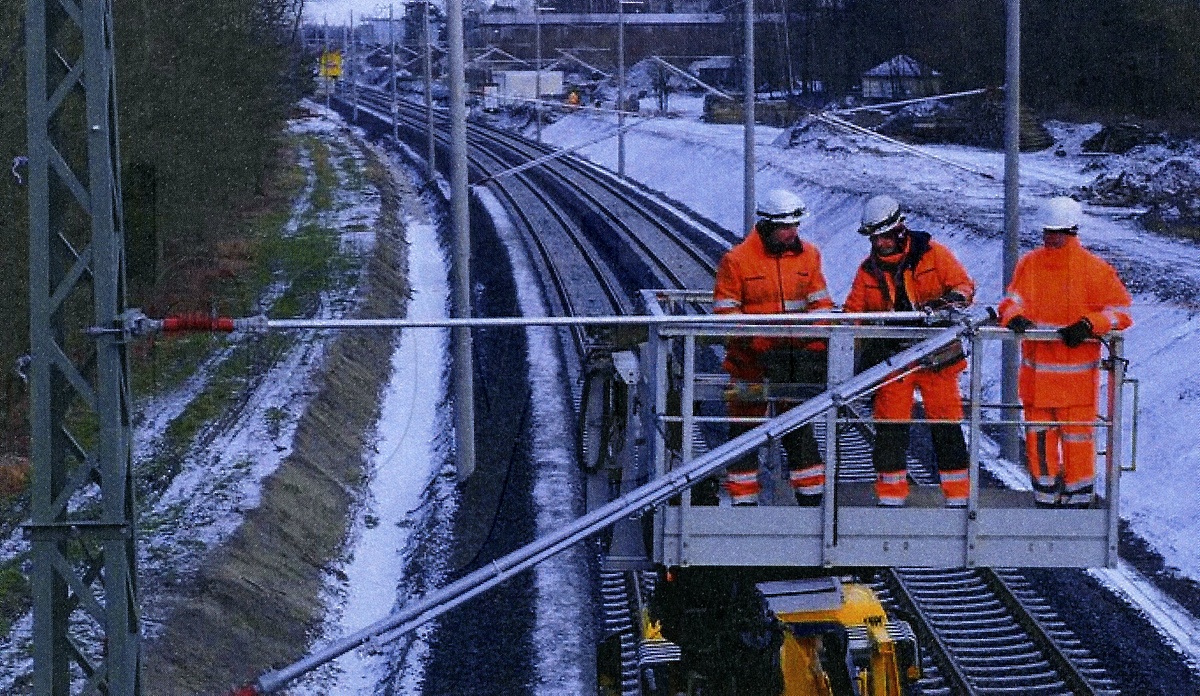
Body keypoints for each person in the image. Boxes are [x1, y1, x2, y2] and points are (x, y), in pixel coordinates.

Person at [998, 197, 1133, 508]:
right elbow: (1010, 301)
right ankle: (1045, 499)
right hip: (1037, 384)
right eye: (1047, 231)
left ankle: (1078, 500)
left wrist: (1090, 324)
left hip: (1076, 388)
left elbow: (1121, 312)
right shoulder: (1030, 264)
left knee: (1078, 446)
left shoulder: (1094, 270)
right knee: (1040, 444)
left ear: (1072, 231)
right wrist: (1013, 316)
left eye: (1056, 232)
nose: (1049, 237)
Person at [843, 195, 975, 508]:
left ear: (900, 230)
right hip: (894, 361)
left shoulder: (935, 255)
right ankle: (891, 498)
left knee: (946, 424)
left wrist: (946, 303)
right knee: (890, 427)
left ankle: (958, 498)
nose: (880, 243)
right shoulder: (868, 271)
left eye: (885, 236)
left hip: (937, 358)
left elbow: (964, 287)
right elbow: (854, 314)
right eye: (874, 238)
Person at [710, 188, 834, 506]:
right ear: (765, 225)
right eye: (785, 227)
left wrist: (816, 343)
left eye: (795, 226)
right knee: (744, 432)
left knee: (800, 431)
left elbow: (820, 305)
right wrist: (758, 342)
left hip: (795, 364)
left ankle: (811, 501)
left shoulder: (810, 256)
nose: (792, 233)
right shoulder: (736, 261)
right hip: (748, 366)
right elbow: (726, 314)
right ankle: (744, 502)